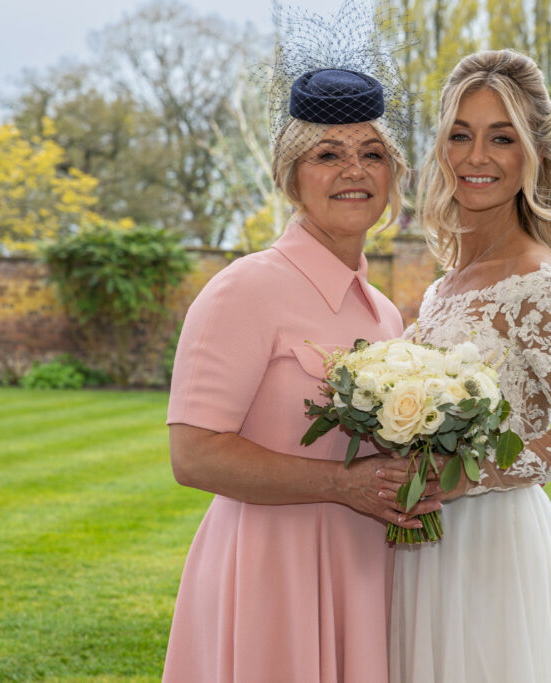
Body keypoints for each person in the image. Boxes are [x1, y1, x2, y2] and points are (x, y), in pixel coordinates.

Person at [162, 64, 439, 682]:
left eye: (373, 153)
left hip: (364, 570)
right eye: (327, 153)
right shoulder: (245, 288)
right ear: (291, 177)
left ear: (394, 176)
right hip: (271, 572)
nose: (354, 170)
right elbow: (194, 456)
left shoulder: (386, 312)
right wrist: (344, 486)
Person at [382, 50, 551, 682]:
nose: (476, 157)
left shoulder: (538, 284)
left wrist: (467, 478)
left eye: (501, 137)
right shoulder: (445, 286)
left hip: (494, 549)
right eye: (460, 135)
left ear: (533, 152)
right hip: (425, 551)